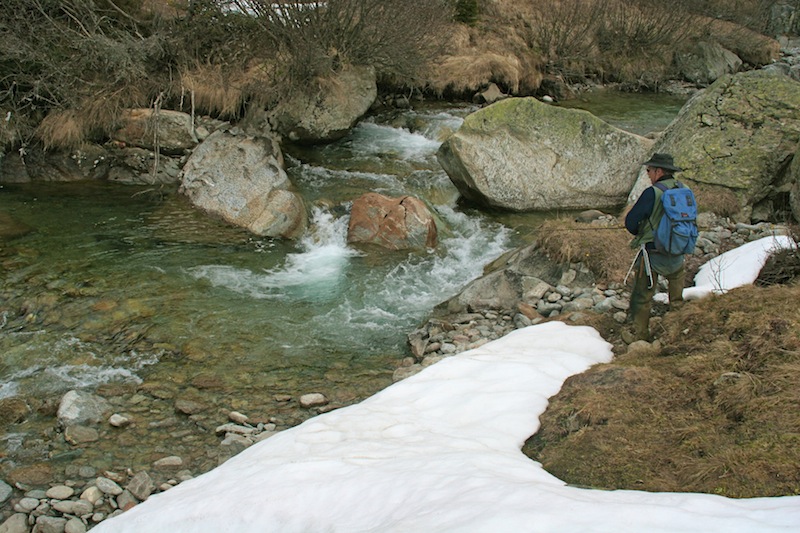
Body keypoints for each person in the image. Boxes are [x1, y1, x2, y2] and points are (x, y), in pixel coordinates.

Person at [624, 153, 687, 342]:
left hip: (653, 251)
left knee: (642, 295)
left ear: (658, 171)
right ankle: (677, 330)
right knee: (676, 299)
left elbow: (631, 222)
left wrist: (642, 232)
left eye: (649, 171)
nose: (648, 174)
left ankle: (639, 335)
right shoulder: (682, 189)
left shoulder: (652, 192)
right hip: (678, 249)